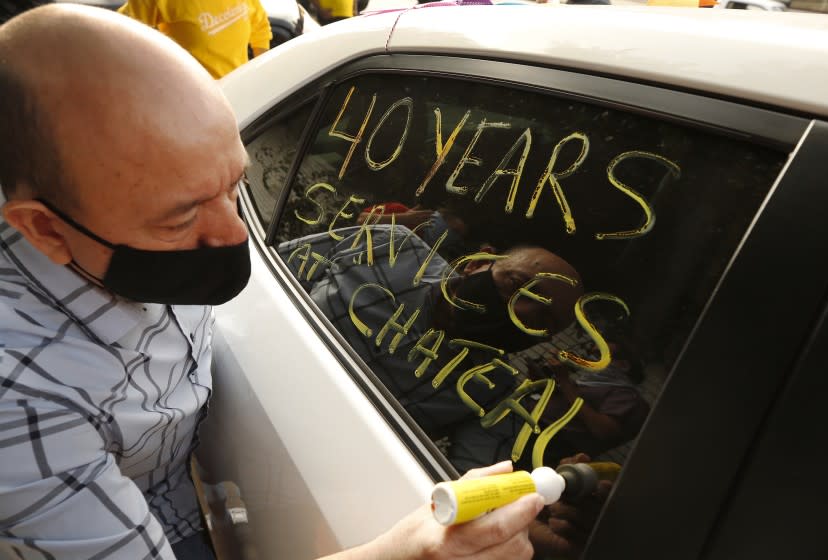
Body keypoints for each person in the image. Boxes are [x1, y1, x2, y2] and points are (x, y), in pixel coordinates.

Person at [0, 5, 541, 559]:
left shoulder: (124, 209)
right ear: (45, 228)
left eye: (236, 184)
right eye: (181, 218)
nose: (235, 234)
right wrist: (410, 552)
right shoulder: (20, 401)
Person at [276, 224, 584, 458]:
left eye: (543, 321)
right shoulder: (390, 245)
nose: (520, 311)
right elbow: (269, 270)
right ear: (476, 263)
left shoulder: (492, 397)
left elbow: (456, 489)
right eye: (516, 285)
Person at [118, 0, 272, 78]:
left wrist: (261, 73)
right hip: (193, 106)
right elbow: (119, 30)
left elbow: (260, 26)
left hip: (238, 92)